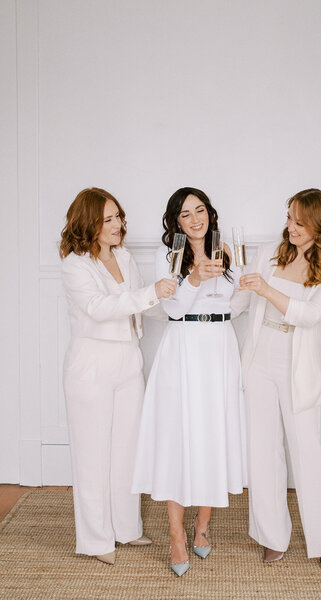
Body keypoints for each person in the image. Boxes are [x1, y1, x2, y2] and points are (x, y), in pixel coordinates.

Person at [131, 187, 247, 576]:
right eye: (185, 214)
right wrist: (194, 277)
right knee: (178, 440)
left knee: (212, 435)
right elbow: (174, 309)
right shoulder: (169, 256)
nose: (195, 219)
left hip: (220, 349)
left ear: (210, 213)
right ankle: (177, 536)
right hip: (183, 350)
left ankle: (203, 528)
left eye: (200, 210)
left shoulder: (227, 252)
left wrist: (243, 278)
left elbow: (237, 304)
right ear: (175, 222)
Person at [231, 188, 321, 568]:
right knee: (262, 449)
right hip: (260, 356)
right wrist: (228, 279)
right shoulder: (270, 251)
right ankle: (271, 535)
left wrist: (266, 288)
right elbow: (242, 303)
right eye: (289, 218)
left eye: (300, 222)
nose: (290, 227)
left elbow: (313, 315)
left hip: (296, 364)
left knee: (307, 450)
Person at [60, 187, 176, 565]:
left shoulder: (124, 257)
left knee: (128, 450)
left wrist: (182, 305)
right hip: (91, 364)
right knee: (93, 455)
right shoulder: (75, 264)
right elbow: (99, 307)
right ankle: (96, 541)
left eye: (119, 216)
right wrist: (151, 293)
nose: (118, 225)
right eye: (108, 219)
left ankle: (126, 529)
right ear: (88, 223)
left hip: (129, 360)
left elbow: (145, 307)